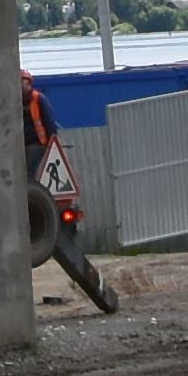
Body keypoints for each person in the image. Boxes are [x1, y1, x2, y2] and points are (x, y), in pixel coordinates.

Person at [21, 74, 122, 314]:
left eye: (23, 82)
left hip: (41, 148)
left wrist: (50, 148)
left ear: (29, 84)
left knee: (31, 176)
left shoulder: (39, 100)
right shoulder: (16, 103)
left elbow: (50, 125)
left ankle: (33, 191)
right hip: (25, 148)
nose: (20, 86)